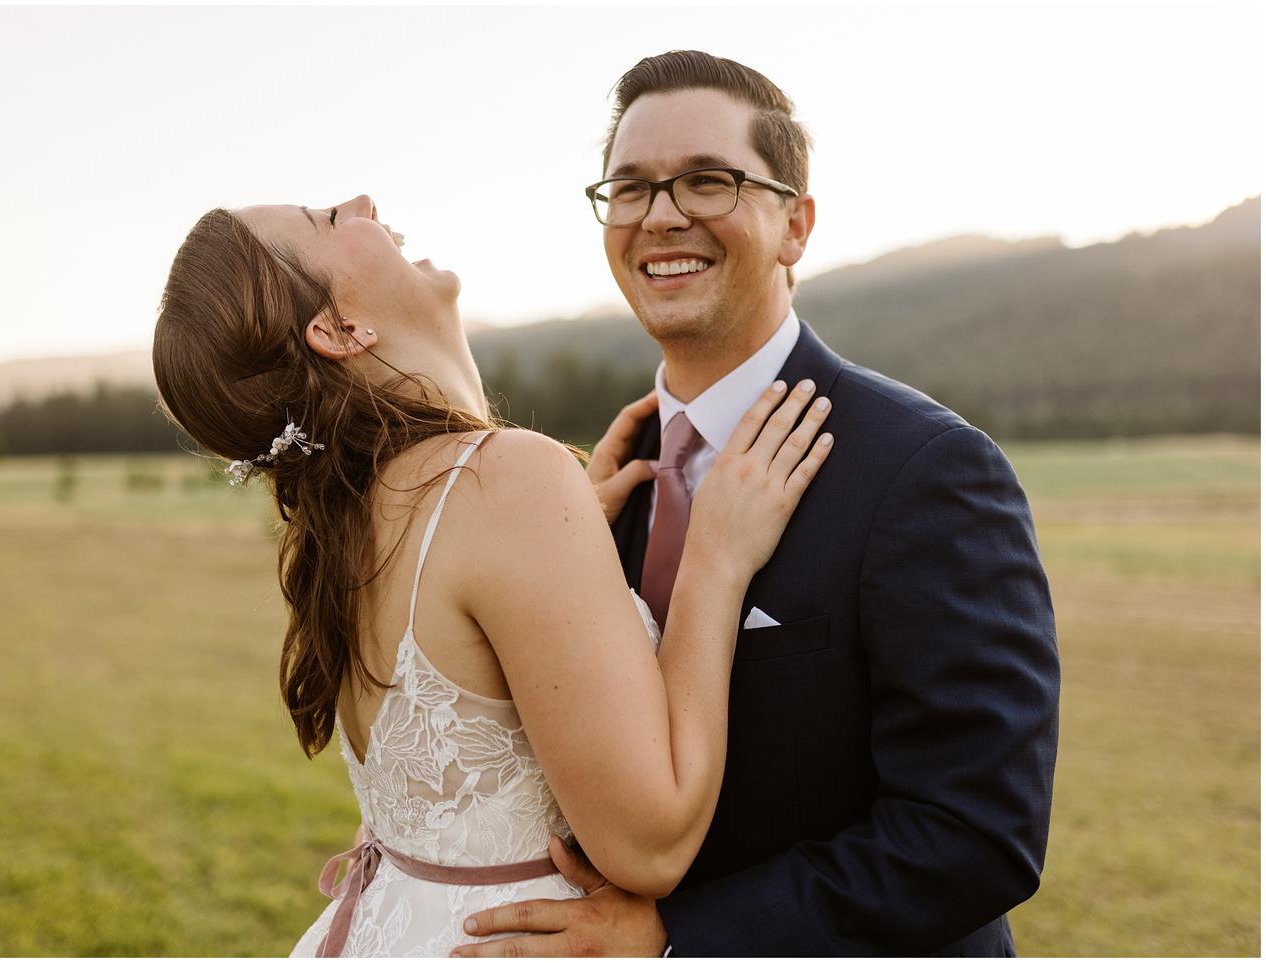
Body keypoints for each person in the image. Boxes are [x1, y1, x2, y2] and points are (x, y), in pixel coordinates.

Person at [454, 50, 1061, 957]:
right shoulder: (602, 491)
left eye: (708, 180)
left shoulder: (928, 469)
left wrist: (677, 937)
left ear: (795, 225)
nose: (661, 216)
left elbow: (976, 835)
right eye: (631, 187)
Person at [151, 194, 834, 955]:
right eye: (329, 220)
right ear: (339, 330)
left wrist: (570, 544)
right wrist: (716, 555)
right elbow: (653, 845)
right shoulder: (503, 481)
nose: (362, 203)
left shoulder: (352, 517)